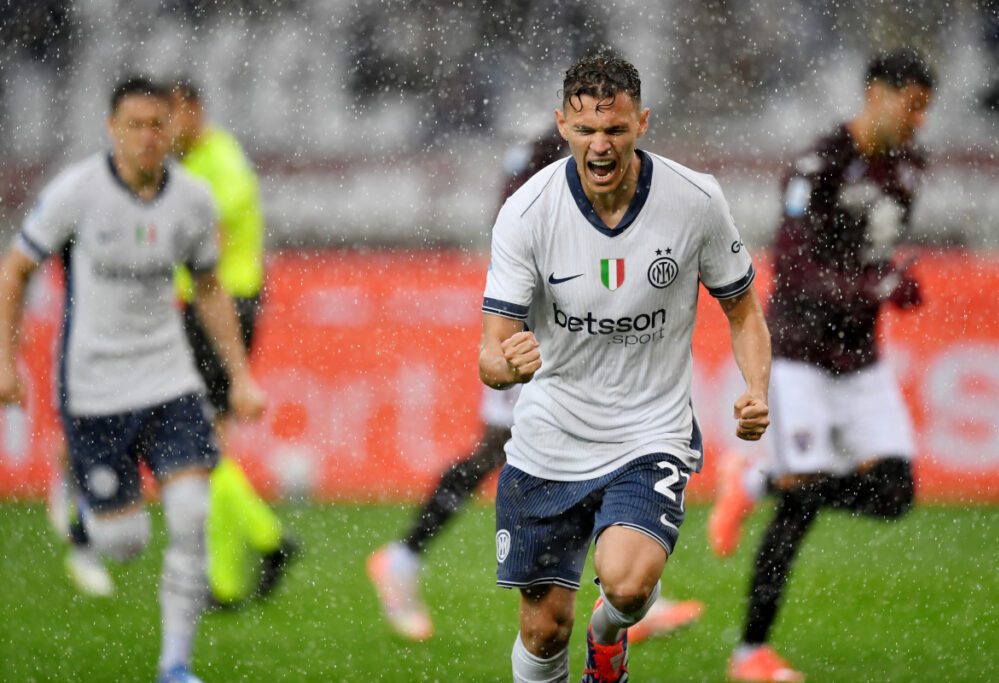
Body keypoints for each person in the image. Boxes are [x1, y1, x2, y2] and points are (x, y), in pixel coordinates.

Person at [479, 53, 771, 683]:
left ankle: (607, 635)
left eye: (615, 129)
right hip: (550, 436)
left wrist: (756, 389)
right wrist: (506, 364)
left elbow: (743, 310)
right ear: (562, 126)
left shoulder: (695, 201)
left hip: (649, 432)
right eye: (586, 131)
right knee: (541, 628)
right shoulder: (528, 212)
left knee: (630, 584)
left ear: (642, 121)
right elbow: (490, 351)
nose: (601, 145)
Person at [367, 125, 704, 645]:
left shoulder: (559, 151)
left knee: (516, 448)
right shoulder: (554, 157)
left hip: (561, 330)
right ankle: (405, 558)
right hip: (539, 333)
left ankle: (619, 584)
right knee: (523, 447)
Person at [0, 76, 265, 683]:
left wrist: (241, 375)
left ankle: (175, 665)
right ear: (112, 130)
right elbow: (15, 269)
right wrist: (4, 361)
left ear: (174, 128)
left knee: (192, 517)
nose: (148, 138)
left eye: (158, 125)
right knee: (124, 544)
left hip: (170, 381)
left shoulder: (194, 200)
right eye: (135, 126)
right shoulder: (76, 192)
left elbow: (208, 287)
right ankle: (78, 500)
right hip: (94, 389)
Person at [721, 49, 933, 683]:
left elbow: (877, 254)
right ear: (876, 93)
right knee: (804, 497)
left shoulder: (911, 168)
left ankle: (756, 481)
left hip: (861, 358)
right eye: (911, 104)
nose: (918, 120)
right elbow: (793, 268)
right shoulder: (821, 162)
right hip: (801, 353)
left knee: (895, 495)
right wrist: (871, 288)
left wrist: (896, 279)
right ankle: (749, 653)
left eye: (926, 108)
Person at [168, 77, 298, 608]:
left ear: (194, 111)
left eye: (168, 117)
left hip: (221, 311)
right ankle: (223, 580)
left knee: (194, 444)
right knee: (207, 445)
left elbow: (207, 245)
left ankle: (268, 538)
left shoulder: (221, 165)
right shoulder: (200, 161)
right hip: (210, 309)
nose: (162, 131)